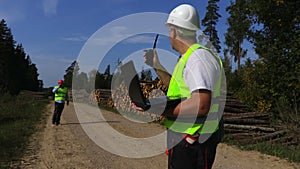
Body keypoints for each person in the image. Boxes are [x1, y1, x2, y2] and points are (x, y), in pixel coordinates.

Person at [133, 4, 225, 169]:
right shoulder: (187, 58)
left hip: (193, 140)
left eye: (170, 30)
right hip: (185, 138)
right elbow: (173, 86)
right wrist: (156, 65)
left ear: (174, 31)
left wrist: (159, 108)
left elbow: (201, 104)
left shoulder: (197, 58)